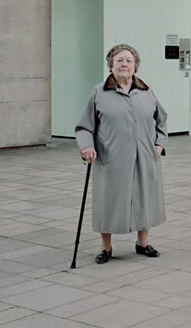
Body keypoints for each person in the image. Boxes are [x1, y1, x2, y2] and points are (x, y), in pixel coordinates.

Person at [76, 44, 167, 264]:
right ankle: (106, 247)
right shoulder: (99, 92)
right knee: (108, 202)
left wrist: (159, 144)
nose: (124, 64)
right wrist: (86, 146)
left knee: (144, 199)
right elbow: (85, 127)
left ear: (135, 65)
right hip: (111, 159)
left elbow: (161, 121)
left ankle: (143, 243)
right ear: (111, 65)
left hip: (145, 157)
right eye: (119, 60)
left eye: (128, 60)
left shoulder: (147, 92)